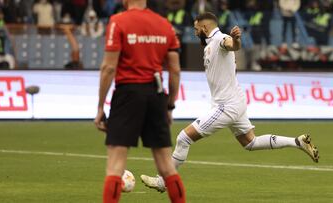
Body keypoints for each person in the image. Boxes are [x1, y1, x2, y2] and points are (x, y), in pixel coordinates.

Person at [140, 12, 319, 193]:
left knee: (183, 138)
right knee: (250, 142)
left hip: (226, 106)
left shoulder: (220, 39)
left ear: (204, 27)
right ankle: (297, 142)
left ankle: (163, 182)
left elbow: (232, 45)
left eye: (196, 29)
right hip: (235, 101)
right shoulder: (209, 44)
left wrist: (236, 40)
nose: (194, 33)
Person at [94, 0, 186, 202]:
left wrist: (100, 107)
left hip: (128, 93)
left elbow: (108, 68)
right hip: (156, 94)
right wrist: (169, 105)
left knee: (115, 164)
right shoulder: (164, 24)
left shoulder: (118, 22)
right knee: (166, 166)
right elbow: (175, 71)